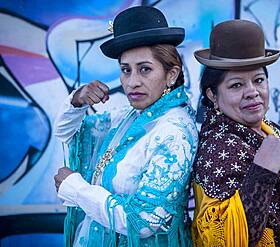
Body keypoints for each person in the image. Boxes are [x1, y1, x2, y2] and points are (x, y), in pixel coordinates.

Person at [53, 6, 198, 247]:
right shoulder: (128, 117)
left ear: (171, 74)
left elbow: (142, 222)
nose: (132, 82)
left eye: (145, 69)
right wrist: (78, 100)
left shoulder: (174, 131)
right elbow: (66, 132)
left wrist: (76, 189)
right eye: (125, 70)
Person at [191, 20, 280, 246]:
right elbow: (232, 238)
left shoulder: (264, 127)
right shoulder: (218, 148)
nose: (252, 93)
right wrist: (263, 170)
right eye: (236, 85)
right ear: (212, 95)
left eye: (258, 80)